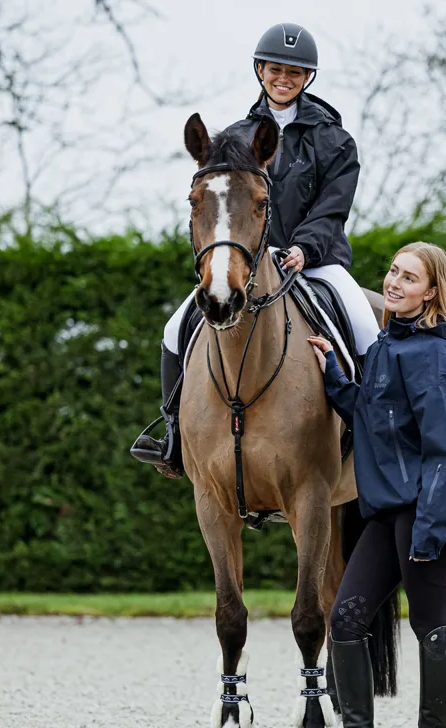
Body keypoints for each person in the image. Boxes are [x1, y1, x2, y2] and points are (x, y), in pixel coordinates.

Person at [130, 23, 378, 478]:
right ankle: (173, 435)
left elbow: (334, 206)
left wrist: (306, 247)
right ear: (261, 70)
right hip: (248, 263)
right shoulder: (235, 137)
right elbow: (222, 203)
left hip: (316, 263)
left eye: (295, 72)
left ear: (307, 79)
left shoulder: (334, 139)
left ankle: (374, 427)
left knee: (365, 327)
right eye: (276, 69)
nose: (284, 78)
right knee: (173, 329)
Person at [304, 242, 446, 728]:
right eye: (392, 271)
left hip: (425, 514)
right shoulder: (387, 345)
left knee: (430, 626)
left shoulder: (435, 355)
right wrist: (334, 375)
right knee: (347, 620)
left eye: (409, 277)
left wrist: (429, 530)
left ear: (431, 291)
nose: (394, 282)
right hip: (387, 513)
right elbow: (369, 413)